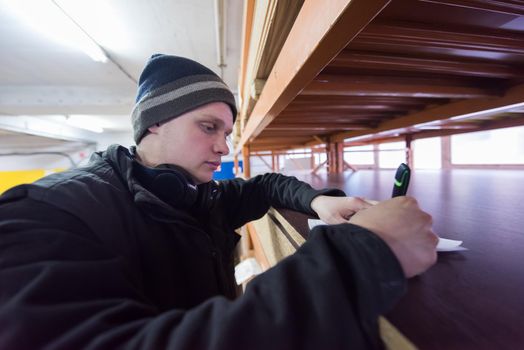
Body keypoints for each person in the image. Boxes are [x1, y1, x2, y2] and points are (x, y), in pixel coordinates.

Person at [0, 54, 437, 349]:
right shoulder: (47, 214)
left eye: (227, 133)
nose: (224, 148)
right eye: (208, 127)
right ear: (154, 124)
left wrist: (318, 201)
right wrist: (364, 256)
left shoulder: (196, 196)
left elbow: (265, 186)